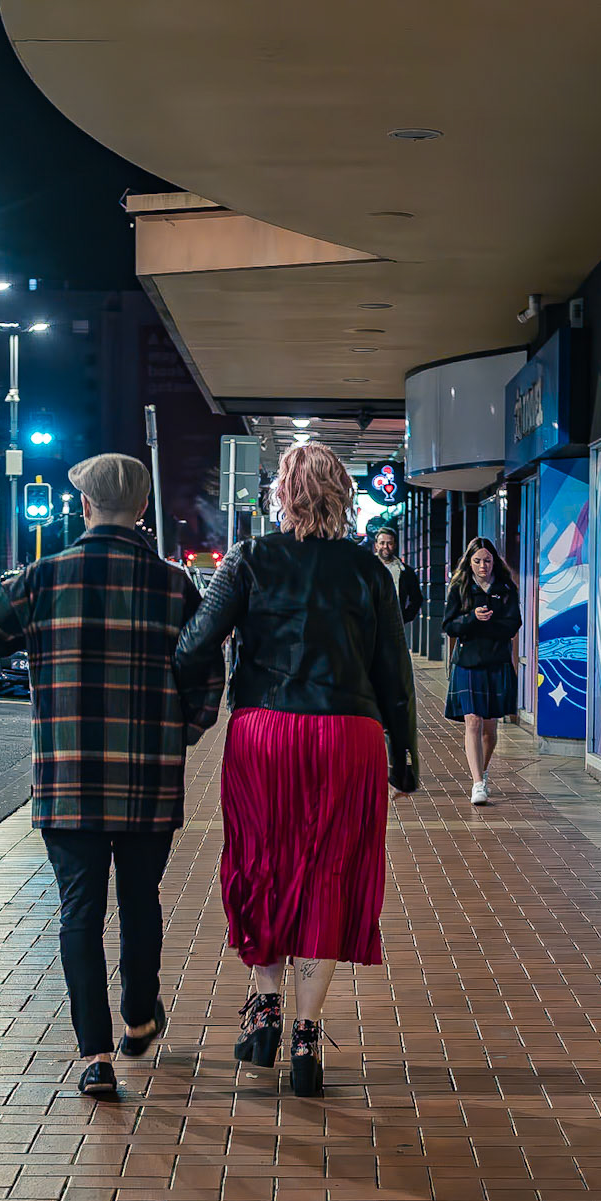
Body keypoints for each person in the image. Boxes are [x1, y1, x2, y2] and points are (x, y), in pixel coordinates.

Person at [0, 452, 222, 1098]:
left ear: (83, 506)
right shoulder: (175, 587)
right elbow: (208, 676)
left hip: (69, 775)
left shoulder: (44, 576)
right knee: (141, 899)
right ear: (143, 509)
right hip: (148, 776)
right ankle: (139, 1016)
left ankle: (95, 1056)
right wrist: (178, 734)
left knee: (79, 910)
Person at [175, 441, 418, 1096]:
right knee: (331, 871)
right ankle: (307, 1037)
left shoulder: (250, 558)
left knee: (262, 862)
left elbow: (195, 645)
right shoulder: (369, 570)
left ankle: (265, 1009)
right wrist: (404, 759)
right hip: (348, 734)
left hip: (266, 732)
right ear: (344, 497)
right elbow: (394, 673)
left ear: (282, 495)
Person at [443, 536, 521, 805]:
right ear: (469, 562)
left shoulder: (506, 588)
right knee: (473, 721)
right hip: (467, 662)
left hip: (496, 662)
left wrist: (490, 624)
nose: (482, 566)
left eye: (487, 561)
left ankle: (483, 771)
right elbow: (449, 625)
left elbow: (514, 624)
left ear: (494, 561)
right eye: (477, 561)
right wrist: (472, 619)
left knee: (489, 728)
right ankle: (477, 783)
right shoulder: (460, 587)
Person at [372, 525, 423, 625]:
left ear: (395, 545)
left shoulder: (406, 572)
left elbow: (417, 599)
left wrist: (404, 618)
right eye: (382, 543)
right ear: (376, 545)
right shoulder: (365, 568)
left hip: (394, 624)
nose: (385, 546)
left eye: (389, 543)